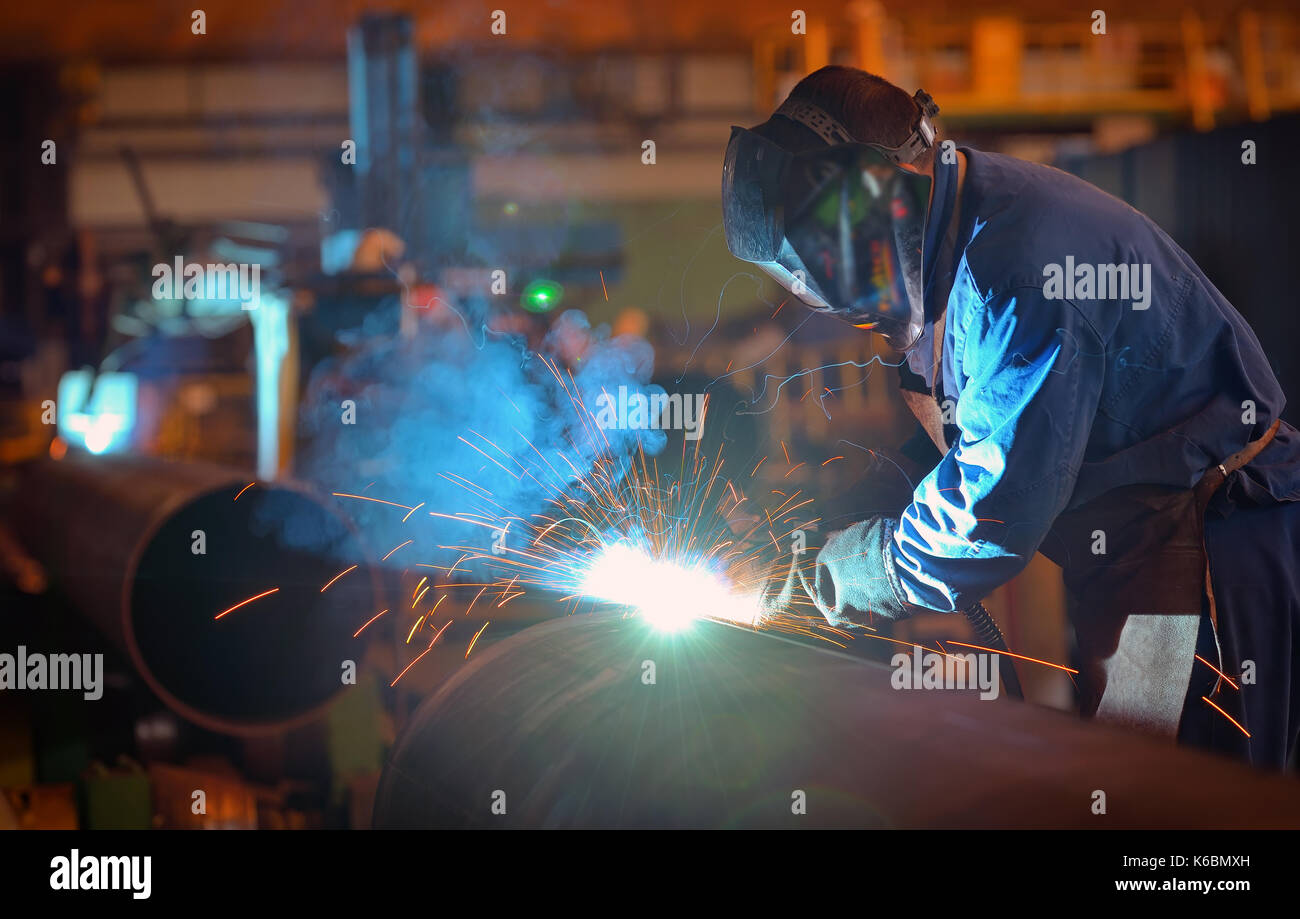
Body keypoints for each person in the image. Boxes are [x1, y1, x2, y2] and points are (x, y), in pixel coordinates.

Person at [723, 65, 1300, 768]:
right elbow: (951, 442)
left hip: (1210, 543)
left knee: (1168, 815)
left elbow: (991, 510)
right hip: (1145, 546)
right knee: (1129, 792)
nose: (823, 286)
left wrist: (832, 575)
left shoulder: (1017, 271)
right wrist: (824, 522)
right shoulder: (948, 246)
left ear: (883, 190)